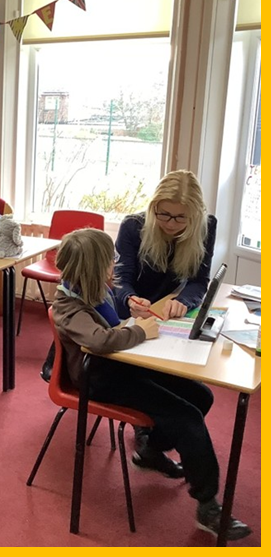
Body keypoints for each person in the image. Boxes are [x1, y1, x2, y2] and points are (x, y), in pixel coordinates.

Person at [52, 228, 251, 541]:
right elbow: (98, 340)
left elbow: (114, 319)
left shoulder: (93, 289)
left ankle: (150, 450)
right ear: (93, 269)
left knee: (201, 395)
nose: (115, 266)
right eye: (110, 262)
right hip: (101, 380)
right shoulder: (68, 306)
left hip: (123, 365)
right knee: (186, 417)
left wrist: (133, 310)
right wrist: (140, 331)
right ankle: (208, 506)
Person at [114, 169, 217, 321]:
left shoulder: (206, 227)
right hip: (130, 315)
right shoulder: (132, 226)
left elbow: (199, 280)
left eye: (181, 217)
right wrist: (131, 299)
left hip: (167, 312)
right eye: (164, 214)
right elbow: (121, 278)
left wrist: (182, 302)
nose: (171, 224)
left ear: (196, 215)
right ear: (154, 207)